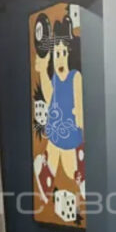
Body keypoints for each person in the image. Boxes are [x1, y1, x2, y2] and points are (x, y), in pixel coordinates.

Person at [34, 15, 85, 202]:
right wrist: (43, 70)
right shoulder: (55, 79)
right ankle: (45, 174)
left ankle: (78, 176)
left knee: (71, 171)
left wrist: (79, 118)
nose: (61, 59)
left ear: (70, 55)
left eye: (64, 53)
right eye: (57, 54)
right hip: (56, 133)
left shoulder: (75, 77)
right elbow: (49, 96)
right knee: (53, 156)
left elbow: (79, 103)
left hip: (70, 133)